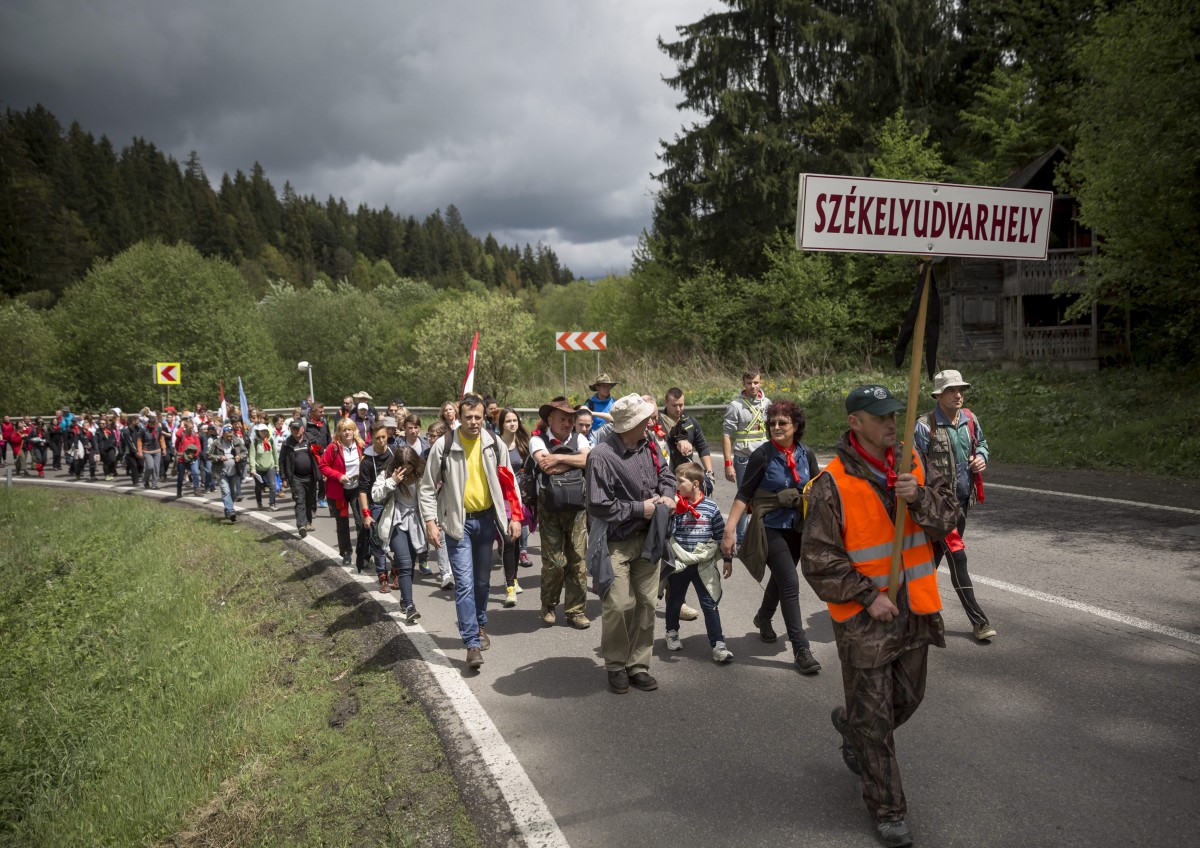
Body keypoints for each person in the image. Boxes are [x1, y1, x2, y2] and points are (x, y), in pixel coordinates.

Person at [801, 384, 958, 848]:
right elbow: (819, 561)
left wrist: (920, 498)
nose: (893, 423)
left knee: (907, 700)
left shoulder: (915, 464)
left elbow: (947, 520)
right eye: (881, 417)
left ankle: (852, 729)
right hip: (865, 619)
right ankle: (889, 811)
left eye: (895, 414)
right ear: (856, 424)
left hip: (915, 610)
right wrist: (868, 596)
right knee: (876, 722)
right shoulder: (830, 483)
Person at [418, 394, 520, 671]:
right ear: (459, 418)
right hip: (458, 523)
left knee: (483, 582)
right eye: (468, 417)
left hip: (487, 521)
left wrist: (515, 516)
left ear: (484, 417)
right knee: (464, 583)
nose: (474, 422)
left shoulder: (493, 442)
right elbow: (427, 487)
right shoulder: (444, 445)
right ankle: (472, 643)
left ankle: (480, 624)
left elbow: (509, 482)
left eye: (478, 417)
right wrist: (430, 521)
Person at [721, 399, 822, 675]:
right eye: (772, 422)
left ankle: (763, 617)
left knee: (780, 580)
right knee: (790, 583)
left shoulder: (806, 453)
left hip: (798, 528)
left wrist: (813, 495)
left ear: (796, 426)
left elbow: (818, 486)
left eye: (782, 422)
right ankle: (801, 648)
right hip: (770, 527)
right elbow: (744, 494)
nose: (776, 427)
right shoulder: (762, 455)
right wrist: (729, 531)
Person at [585, 393, 677, 694]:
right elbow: (599, 505)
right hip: (616, 541)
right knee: (618, 605)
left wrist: (666, 494)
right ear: (630, 425)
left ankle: (638, 665)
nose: (651, 422)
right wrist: (641, 508)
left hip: (649, 537)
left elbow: (666, 474)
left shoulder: (649, 443)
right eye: (645, 419)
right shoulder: (601, 455)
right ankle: (615, 664)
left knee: (647, 605)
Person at [914, 369, 995, 642]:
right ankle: (979, 621)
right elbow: (914, 466)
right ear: (938, 395)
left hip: (962, 502)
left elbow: (982, 444)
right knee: (957, 557)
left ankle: (909, 611)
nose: (958, 394)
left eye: (961, 389)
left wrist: (981, 457)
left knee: (931, 560)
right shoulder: (924, 426)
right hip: (938, 508)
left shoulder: (970, 419)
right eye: (951, 390)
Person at [530, 397, 590, 628]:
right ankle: (549, 604)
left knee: (577, 562)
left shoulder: (580, 437)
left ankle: (575, 611)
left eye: (571, 419)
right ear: (550, 419)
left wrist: (559, 458)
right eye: (562, 418)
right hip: (550, 509)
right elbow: (545, 465)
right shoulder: (538, 440)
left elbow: (589, 459)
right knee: (554, 562)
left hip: (577, 509)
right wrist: (575, 461)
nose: (568, 423)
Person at [665, 462, 734, 663]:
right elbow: (667, 534)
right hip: (680, 562)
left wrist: (727, 559)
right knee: (675, 600)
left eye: (680, 481)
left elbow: (721, 534)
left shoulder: (711, 507)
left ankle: (718, 644)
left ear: (695, 484)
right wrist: (671, 511)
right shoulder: (674, 506)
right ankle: (672, 632)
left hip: (704, 563)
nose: (675, 484)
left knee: (709, 603)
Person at [372, 446, 427, 620]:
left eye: (410, 466)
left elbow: (431, 497)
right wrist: (392, 481)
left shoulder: (422, 473)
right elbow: (375, 495)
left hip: (416, 522)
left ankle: (404, 600)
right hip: (396, 522)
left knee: (410, 564)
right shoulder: (388, 473)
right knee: (404, 562)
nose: (407, 469)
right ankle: (410, 606)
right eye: (403, 466)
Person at [722, 369, 770, 545]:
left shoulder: (767, 403)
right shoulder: (735, 406)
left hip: (764, 458)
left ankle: (765, 537)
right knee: (744, 498)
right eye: (749, 383)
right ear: (744, 384)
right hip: (744, 459)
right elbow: (726, 435)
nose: (753, 386)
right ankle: (742, 540)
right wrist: (728, 463)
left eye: (756, 382)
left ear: (761, 382)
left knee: (767, 496)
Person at [496, 407, 535, 602]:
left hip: (519, 499)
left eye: (515, 420)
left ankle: (515, 578)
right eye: (508, 421)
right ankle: (509, 586)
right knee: (508, 541)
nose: (512, 424)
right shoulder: (495, 444)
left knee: (516, 540)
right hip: (500, 498)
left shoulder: (524, 443)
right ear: (501, 424)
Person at [319, 418, 366, 568]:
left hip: (356, 490)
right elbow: (323, 465)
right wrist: (339, 476)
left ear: (354, 431)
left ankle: (364, 553)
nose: (347, 432)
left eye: (349, 429)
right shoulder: (333, 448)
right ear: (339, 432)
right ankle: (346, 552)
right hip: (339, 492)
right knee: (342, 523)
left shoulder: (360, 446)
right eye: (344, 430)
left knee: (361, 522)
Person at [359, 422, 396, 581]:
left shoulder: (395, 453)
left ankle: (396, 570)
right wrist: (366, 514)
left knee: (397, 540)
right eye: (377, 438)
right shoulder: (367, 461)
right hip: (377, 503)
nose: (381, 441)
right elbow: (362, 490)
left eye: (383, 437)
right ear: (372, 439)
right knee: (377, 540)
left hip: (395, 502)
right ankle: (382, 575)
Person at [661, 387, 715, 483]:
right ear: (665, 403)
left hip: (686, 477)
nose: (678, 409)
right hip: (665, 475)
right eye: (674, 405)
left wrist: (710, 473)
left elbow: (702, 446)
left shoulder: (690, 422)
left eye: (681, 405)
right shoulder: (658, 423)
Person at [279, 419, 317, 537]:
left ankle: (308, 522)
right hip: (295, 477)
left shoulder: (311, 439)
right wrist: (284, 478)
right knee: (299, 500)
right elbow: (282, 461)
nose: (295, 431)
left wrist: (322, 473)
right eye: (292, 429)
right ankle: (301, 525)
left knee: (310, 501)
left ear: (302, 429)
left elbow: (319, 456)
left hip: (311, 476)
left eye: (297, 428)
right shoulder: (287, 443)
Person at [207, 424, 247, 522]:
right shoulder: (216, 443)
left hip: (234, 472)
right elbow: (209, 455)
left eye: (231, 435)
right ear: (223, 434)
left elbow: (245, 452)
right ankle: (230, 511)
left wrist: (239, 457)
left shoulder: (237, 441)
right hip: (221, 472)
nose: (230, 437)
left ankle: (228, 509)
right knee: (226, 492)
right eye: (228, 436)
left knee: (233, 494)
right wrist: (219, 458)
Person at [305, 403, 332, 508]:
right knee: (312, 478)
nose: (323, 413)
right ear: (312, 411)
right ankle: (310, 499)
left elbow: (328, 436)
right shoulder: (305, 422)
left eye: (323, 411)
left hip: (324, 454)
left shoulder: (324, 421)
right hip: (310, 455)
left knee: (323, 478)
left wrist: (330, 450)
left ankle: (321, 497)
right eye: (320, 411)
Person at [249, 422, 279, 511]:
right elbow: (252, 456)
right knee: (258, 486)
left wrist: (277, 466)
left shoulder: (271, 440)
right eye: (260, 431)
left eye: (264, 431)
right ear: (258, 432)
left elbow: (275, 454)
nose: (262, 433)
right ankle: (259, 502)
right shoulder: (254, 442)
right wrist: (253, 468)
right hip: (258, 468)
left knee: (273, 485)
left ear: (267, 431)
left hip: (270, 466)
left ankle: (272, 504)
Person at [174, 417, 202, 497]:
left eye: (192, 428)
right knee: (180, 475)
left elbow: (198, 445)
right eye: (190, 428)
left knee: (195, 472)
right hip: (182, 458)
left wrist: (195, 454)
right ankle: (179, 490)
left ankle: (196, 489)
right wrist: (182, 426)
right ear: (186, 428)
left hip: (192, 457)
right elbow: (177, 435)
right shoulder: (181, 434)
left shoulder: (194, 435)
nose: (191, 430)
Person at [138, 411, 167, 490]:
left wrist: (164, 448)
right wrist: (140, 451)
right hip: (147, 451)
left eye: (154, 423)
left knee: (156, 467)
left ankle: (154, 484)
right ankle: (146, 480)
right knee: (150, 467)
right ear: (148, 422)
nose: (152, 424)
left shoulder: (158, 428)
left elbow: (161, 439)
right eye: (151, 423)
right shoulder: (144, 429)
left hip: (157, 450)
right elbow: (140, 441)